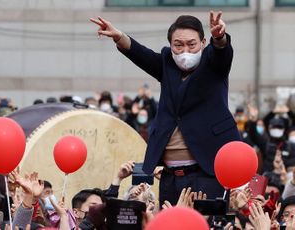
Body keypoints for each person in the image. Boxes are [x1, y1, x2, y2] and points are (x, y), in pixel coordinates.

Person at [90, 11, 240, 206]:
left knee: (204, 224)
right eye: (178, 45)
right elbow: (142, 55)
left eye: (191, 44)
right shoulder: (167, 62)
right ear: (171, 45)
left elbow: (223, 53)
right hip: (170, 175)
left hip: (206, 170)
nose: (185, 50)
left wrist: (219, 37)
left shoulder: (213, 63)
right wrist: (119, 36)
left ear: (203, 43)